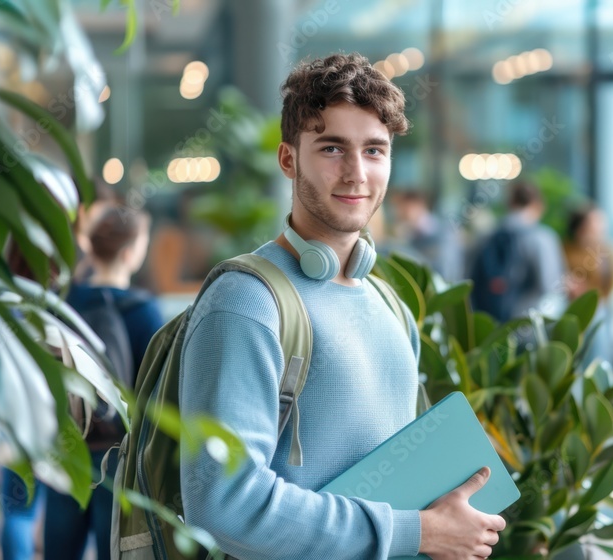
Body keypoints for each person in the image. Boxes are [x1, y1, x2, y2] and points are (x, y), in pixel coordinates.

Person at [178, 53, 505, 559]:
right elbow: (224, 503)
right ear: (288, 159)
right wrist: (416, 532)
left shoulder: (389, 304)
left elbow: (405, 484)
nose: (356, 173)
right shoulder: (246, 302)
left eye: (375, 150)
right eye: (332, 148)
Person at [44, 205, 164, 559]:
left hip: (67, 444)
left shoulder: (63, 302)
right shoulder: (145, 310)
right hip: (120, 455)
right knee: (112, 548)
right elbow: (154, 389)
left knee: (58, 550)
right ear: (130, 253)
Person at [469, 181, 567, 323]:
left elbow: (468, 278)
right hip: (527, 323)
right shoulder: (542, 238)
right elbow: (551, 286)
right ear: (538, 206)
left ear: (509, 203)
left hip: (488, 322)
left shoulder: (486, 236)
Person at [564, 204, 613, 364]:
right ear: (581, 227)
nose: (602, 226)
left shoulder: (609, 252)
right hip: (572, 308)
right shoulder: (567, 250)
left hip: (600, 307)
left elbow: (611, 284)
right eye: (596, 222)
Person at [389, 189, 463, 281]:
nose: (398, 213)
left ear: (417, 205)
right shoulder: (411, 235)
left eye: (402, 208)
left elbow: (444, 273)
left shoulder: (443, 234)